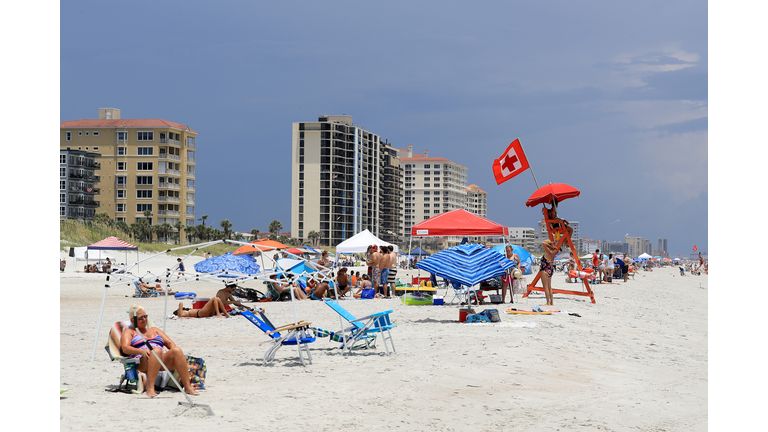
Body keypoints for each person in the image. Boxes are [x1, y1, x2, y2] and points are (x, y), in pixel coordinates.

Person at [121, 305, 200, 398]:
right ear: (132, 320)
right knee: (156, 350)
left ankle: (187, 386)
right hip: (143, 360)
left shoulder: (154, 330)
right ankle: (150, 388)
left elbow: (170, 343)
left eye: (145, 316)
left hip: (161, 358)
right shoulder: (129, 332)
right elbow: (125, 348)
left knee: (177, 350)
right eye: (140, 318)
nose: (144, 319)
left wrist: (173, 354)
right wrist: (141, 351)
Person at [540, 239, 558, 306]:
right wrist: (551, 246)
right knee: (550, 287)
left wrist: (549, 245)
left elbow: (543, 243)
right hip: (550, 270)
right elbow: (555, 248)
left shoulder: (548, 251)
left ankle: (548, 302)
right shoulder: (553, 252)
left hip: (545, 269)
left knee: (546, 287)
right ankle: (552, 302)